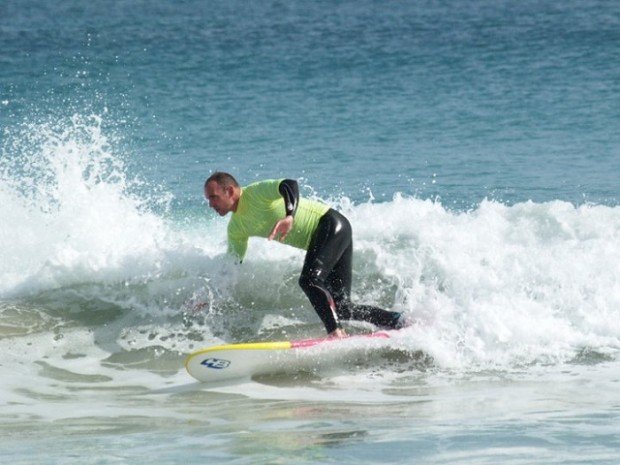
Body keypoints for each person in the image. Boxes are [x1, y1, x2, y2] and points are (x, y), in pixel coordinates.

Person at [204, 172, 406, 338]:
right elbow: (232, 266)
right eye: (208, 199)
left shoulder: (255, 193)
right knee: (343, 307)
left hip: (329, 224)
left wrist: (289, 216)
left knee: (309, 280)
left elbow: (289, 184)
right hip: (329, 237)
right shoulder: (236, 228)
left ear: (229, 191)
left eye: (213, 197)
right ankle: (398, 321)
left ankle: (336, 332)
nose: (211, 204)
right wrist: (212, 295)